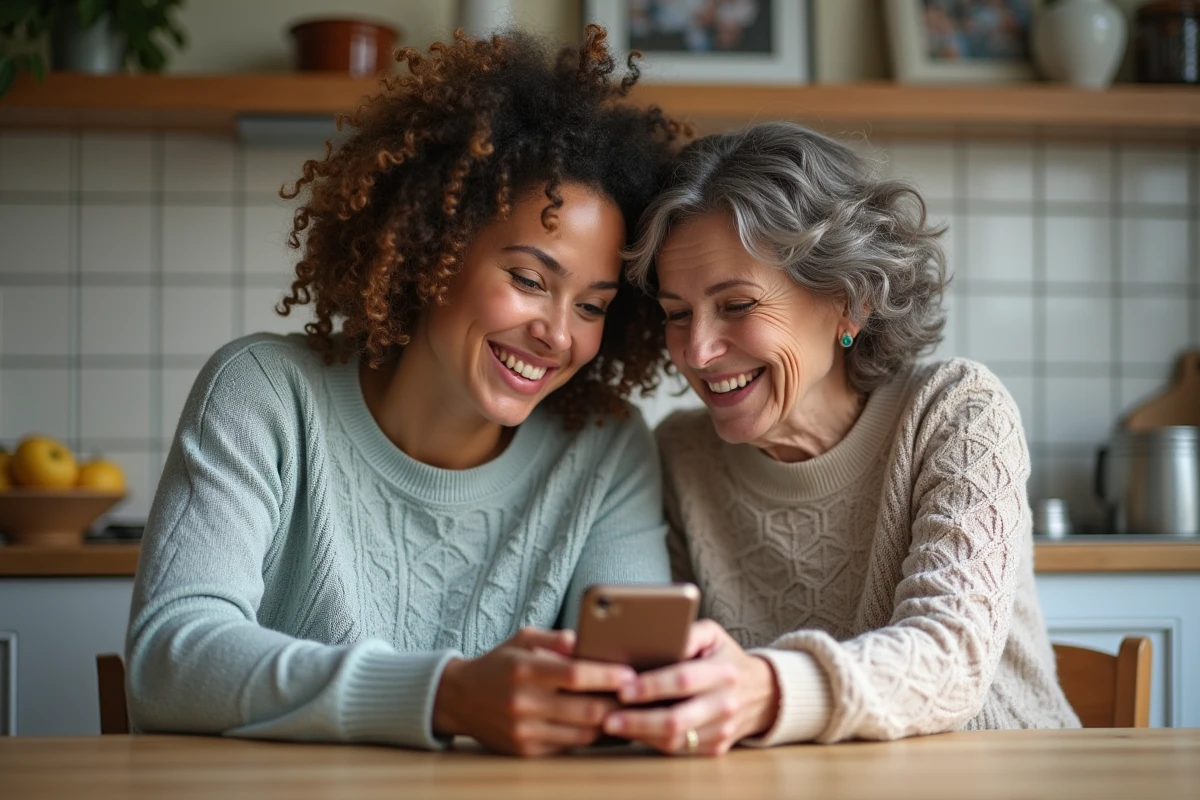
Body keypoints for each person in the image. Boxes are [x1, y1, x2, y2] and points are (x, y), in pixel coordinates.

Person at [125, 26, 684, 757]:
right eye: (528, 279)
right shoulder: (265, 394)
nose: (557, 334)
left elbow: (632, 701)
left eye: (591, 306)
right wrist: (447, 696)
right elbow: (169, 661)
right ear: (432, 253)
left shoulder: (605, 447)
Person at [603, 121, 1079, 755]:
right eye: (677, 314)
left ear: (849, 301)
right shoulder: (682, 455)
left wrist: (767, 689)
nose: (697, 350)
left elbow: (951, 656)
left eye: (737, 305)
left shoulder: (955, 411)